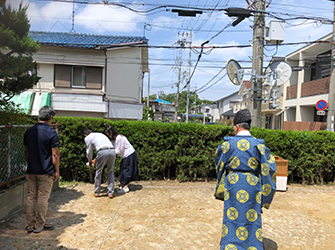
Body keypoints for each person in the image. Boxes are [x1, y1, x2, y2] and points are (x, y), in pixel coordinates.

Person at [214, 109, 276, 250]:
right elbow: (268, 169)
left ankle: (230, 244)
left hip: (233, 183)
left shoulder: (227, 144)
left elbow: (219, 163)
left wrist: (222, 181)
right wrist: (266, 195)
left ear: (236, 126)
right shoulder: (259, 145)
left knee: (232, 215)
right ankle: (252, 245)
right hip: (253, 184)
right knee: (252, 216)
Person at [24, 105, 60, 234]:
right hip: (46, 171)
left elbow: (26, 151)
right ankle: (39, 226)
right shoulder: (51, 133)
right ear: (50, 117)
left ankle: (30, 226)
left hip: (31, 170)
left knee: (31, 197)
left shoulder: (29, 131)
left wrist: (30, 163)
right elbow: (55, 154)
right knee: (42, 198)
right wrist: (57, 171)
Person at [83, 129, 116, 198]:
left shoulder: (87, 138)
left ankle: (97, 192)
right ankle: (110, 193)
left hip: (102, 151)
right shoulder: (99, 134)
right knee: (110, 171)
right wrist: (95, 159)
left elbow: (89, 152)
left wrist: (90, 162)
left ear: (85, 135)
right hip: (112, 151)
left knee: (99, 172)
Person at [104, 126, 138, 193]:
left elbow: (118, 150)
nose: (109, 136)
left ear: (111, 132)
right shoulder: (114, 139)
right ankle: (123, 185)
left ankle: (125, 187)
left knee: (126, 171)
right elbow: (111, 146)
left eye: (108, 134)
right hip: (125, 157)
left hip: (129, 155)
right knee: (123, 170)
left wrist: (110, 152)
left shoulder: (119, 138)